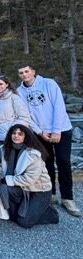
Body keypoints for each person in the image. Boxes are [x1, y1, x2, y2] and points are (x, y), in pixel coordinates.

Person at [17, 63, 81, 217]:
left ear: (33, 71)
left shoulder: (49, 84)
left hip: (61, 129)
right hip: (41, 133)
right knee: (46, 163)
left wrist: (56, 130)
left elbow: (59, 107)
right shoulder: (20, 91)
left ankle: (67, 198)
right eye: (21, 73)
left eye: (26, 71)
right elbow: (26, 115)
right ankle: (50, 193)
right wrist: (40, 132)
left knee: (64, 162)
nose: (24, 75)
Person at [0, 124, 60, 228]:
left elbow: (29, 179)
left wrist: (7, 179)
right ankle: (26, 209)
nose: (16, 136)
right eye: (14, 133)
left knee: (24, 222)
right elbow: (2, 169)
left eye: (20, 134)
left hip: (39, 191)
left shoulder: (33, 154)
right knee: (5, 190)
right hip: (23, 188)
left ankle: (49, 213)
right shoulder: (5, 150)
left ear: (25, 136)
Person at [0, 75, 31, 146]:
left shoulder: (14, 97)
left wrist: (14, 130)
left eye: (1, 84)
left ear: (7, 84)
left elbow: (24, 116)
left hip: (11, 135)